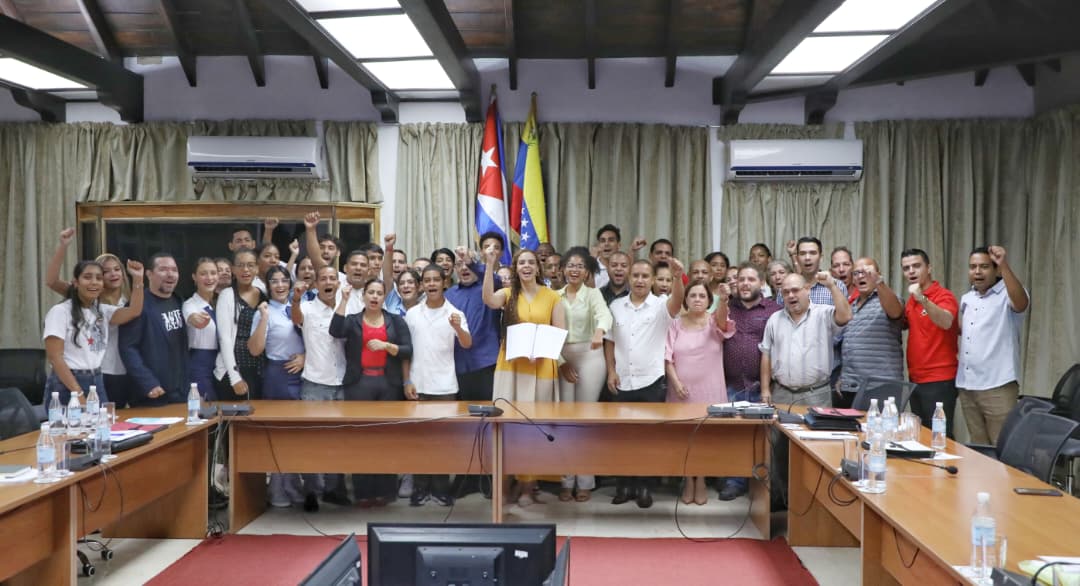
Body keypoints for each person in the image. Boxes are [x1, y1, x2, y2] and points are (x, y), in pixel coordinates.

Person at [483, 247, 566, 506]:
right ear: (516, 268)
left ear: (538, 268)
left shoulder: (552, 297)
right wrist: (489, 264)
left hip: (541, 367)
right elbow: (488, 299)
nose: (527, 267)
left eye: (531, 262)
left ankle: (529, 485)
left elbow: (560, 332)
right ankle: (506, 482)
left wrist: (540, 351)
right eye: (521, 263)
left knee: (535, 426)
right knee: (507, 425)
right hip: (511, 366)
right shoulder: (508, 294)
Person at [605, 258, 686, 508]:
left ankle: (644, 487)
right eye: (636, 275)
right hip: (621, 381)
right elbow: (610, 341)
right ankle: (624, 485)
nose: (640, 280)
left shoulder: (661, 305)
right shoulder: (616, 306)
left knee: (648, 438)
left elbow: (677, 302)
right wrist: (610, 370)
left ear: (652, 280)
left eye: (645, 276)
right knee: (623, 438)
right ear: (629, 277)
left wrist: (677, 277)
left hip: (651, 381)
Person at [329, 279, 413, 507]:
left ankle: (386, 492)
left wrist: (387, 346)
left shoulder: (395, 321)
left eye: (379, 293)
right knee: (361, 438)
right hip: (359, 384)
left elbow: (408, 349)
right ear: (363, 296)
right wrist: (344, 300)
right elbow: (335, 330)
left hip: (388, 385)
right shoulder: (354, 320)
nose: (375, 297)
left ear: (384, 297)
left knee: (386, 438)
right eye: (371, 293)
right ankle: (363, 492)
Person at [405, 265, 472, 506]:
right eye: (427, 280)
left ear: (445, 283)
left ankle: (441, 488)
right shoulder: (412, 313)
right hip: (418, 385)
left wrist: (456, 326)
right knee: (420, 442)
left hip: (445, 386)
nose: (432, 284)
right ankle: (420, 488)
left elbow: (467, 343)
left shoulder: (455, 312)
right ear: (421, 285)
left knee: (444, 442)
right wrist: (407, 380)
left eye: (436, 280)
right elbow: (406, 351)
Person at [46, 229, 135, 407]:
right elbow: (55, 358)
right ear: (76, 282)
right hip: (74, 378)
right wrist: (63, 246)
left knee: (103, 429)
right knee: (71, 430)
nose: (94, 282)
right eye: (87, 277)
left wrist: (138, 281)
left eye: (98, 278)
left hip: (100, 375)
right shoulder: (62, 310)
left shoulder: (105, 308)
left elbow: (134, 311)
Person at [665, 279, 733, 505]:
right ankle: (687, 479)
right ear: (685, 299)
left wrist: (724, 300)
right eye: (692, 295)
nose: (697, 299)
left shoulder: (715, 321)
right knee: (683, 439)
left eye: (702, 296)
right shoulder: (675, 324)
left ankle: (701, 479)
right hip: (681, 392)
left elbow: (724, 322)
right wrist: (675, 383)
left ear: (709, 301)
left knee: (704, 439)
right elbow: (667, 358)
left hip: (710, 390)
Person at [956, 245, 1029, 445]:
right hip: (967, 385)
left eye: (984, 266)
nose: (977, 272)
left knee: (1003, 447)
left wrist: (1004, 264)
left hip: (997, 385)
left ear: (996, 269)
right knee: (979, 447)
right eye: (972, 267)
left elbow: (1022, 303)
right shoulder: (967, 298)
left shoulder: (1008, 294)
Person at [556, 247, 613, 503]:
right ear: (563, 269)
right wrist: (560, 362)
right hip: (562, 357)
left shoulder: (593, 295)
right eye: (570, 265)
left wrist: (600, 331)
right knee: (564, 422)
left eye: (580, 266)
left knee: (585, 420)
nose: (574, 270)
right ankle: (566, 480)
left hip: (591, 355)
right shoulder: (554, 296)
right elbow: (547, 331)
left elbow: (605, 316)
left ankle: (585, 482)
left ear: (587, 271)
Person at [720, 262, 781, 501]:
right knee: (731, 439)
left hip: (761, 386)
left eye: (751, 279)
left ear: (761, 283)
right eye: (741, 279)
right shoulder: (727, 308)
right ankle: (734, 482)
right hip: (730, 384)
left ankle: (762, 485)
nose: (745, 283)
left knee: (762, 439)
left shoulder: (773, 310)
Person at [247, 266, 306, 508]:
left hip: (303, 373)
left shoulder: (301, 306)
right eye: (275, 281)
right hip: (278, 375)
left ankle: (292, 483)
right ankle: (277, 488)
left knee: (298, 434)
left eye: (284, 280)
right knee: (279, 433)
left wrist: (305, 357)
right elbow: (255, 349)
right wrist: (263, 319)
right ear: (268, 286)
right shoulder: (264, 311)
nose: (280, 285)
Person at [291, 265, 348, 511]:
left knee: (339, 441)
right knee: (312, 440)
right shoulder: (307, 308)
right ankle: (311, 491)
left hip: (342, 383)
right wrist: (295, 298)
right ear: (315, 284)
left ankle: (334, 490)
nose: (328, 282)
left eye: (332, 278)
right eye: (322, 278)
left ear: (338, 283)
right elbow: (295, 317)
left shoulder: (347, 306)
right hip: (314, 384)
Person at [759, 273, 852, 407]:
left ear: (807, 289)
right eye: (786, 292)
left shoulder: (823, 313)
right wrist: (765, 390)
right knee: (778, 428)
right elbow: (766, 354)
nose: (791, 295)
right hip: (781, 393)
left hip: (816, 395)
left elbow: (846, 316)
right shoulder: (774, 319)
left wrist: (831, 286)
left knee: (815, 428)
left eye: (795, 290)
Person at [901, 248, 960, 438]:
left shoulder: (943, 295)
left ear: (929, 268)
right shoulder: (911, 300)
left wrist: (922, 298)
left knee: (940, 437)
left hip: (939, 378)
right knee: (921, 436)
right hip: (916, 378)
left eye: (916, 266)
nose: (911, 271)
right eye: (906, 268)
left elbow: (946, 321)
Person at [119, 253, 189, 406]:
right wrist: (147, 382)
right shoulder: (138, 305)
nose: (170, 274)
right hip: (153, 393)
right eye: (163, 269)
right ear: (149, 274)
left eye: (174, 270)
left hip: (181, 391)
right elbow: (127, 347)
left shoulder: (179, 301)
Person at [837, 258, 904, 405]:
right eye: (856, 273)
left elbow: (895, 312)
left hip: (881, 386)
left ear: (877, 274)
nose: (861, 276)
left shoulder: (888, 299)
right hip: (851, 386)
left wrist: (879, 282)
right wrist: (843, 377)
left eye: (866, 272)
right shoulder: (850, 306)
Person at [215, 248, 266, 401]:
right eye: (240, 265)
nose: (245, 270)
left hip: (260, 369)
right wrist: (234, 377)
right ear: (233, 269)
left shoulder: (264, 293)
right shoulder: (227, 295)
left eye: (250, 265)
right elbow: (225, 338)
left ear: (257, 268)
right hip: (235, 370)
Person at [184, 258, 226, 400]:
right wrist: (198, 320)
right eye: (203, 274)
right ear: (194, 277)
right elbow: (192, 317)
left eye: (213, 273)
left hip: (220, 365)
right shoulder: (190, 304)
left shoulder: (220, 303)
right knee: (205, 409)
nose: (209, 278)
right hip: (200, 365)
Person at [785, 237, 848, 304]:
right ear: (797, 258)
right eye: (803, 253)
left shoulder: (838, 286)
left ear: (821, 257)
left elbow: (845, 314)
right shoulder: (786, 288)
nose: (807, 258)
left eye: (812, 253)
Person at [593, 224, 622, 289]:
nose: (606, 244)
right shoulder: (590, 268)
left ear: (619, 245)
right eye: (603, 241)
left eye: (611, 240)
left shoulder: (623, 268)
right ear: (598, 245)